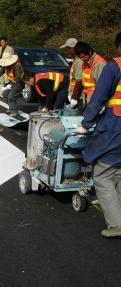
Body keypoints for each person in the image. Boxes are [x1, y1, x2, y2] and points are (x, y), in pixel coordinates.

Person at [75, 32, 121, 237]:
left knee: (102, 173)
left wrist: (86, 123)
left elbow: (99, 96)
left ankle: (117, 224)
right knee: (118, 171)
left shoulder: (115, 66)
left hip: (116, 125)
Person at [73, 42, 107, 106]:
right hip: (88, 98)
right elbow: (82, 81)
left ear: (90, 52)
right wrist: (74, 97)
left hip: (95, 100)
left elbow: (102, 86)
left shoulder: (99, 64)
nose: (82, 59)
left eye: (83, 57)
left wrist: (100, 103)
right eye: (80, 57)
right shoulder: (85, 63)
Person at [0, 52, 24, 116]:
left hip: (18, 83)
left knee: (11, 96)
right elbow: (2, 70)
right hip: (11, 83)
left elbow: (18, 77)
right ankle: (11, 107)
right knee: (5, 93)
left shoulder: (17, 66)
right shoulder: (6, 65)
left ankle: (14, 111)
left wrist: (10, 85)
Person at [60, 38, 83, 108]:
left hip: (79, 96)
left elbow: (79, 80)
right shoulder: (76, 59)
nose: (67, 51)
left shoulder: (79, 61)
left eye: (68, 48)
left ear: (73, 48)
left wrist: (74, 97)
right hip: (75, 94)